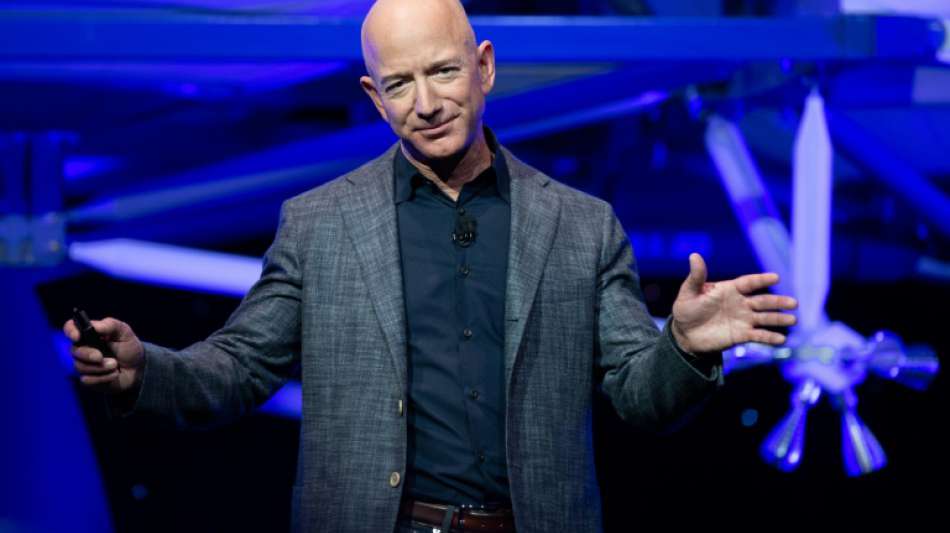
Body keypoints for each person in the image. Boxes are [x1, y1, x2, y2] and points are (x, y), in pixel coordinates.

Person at [64, 1, 797, 531]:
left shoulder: (580, 226)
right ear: (374, 98)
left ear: (484, 68)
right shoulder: (321, 224)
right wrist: (145, 370)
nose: (426, 103)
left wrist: (683, 346)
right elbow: (238, 366)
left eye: (444, 72)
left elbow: (641, 396)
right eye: (400, 83)